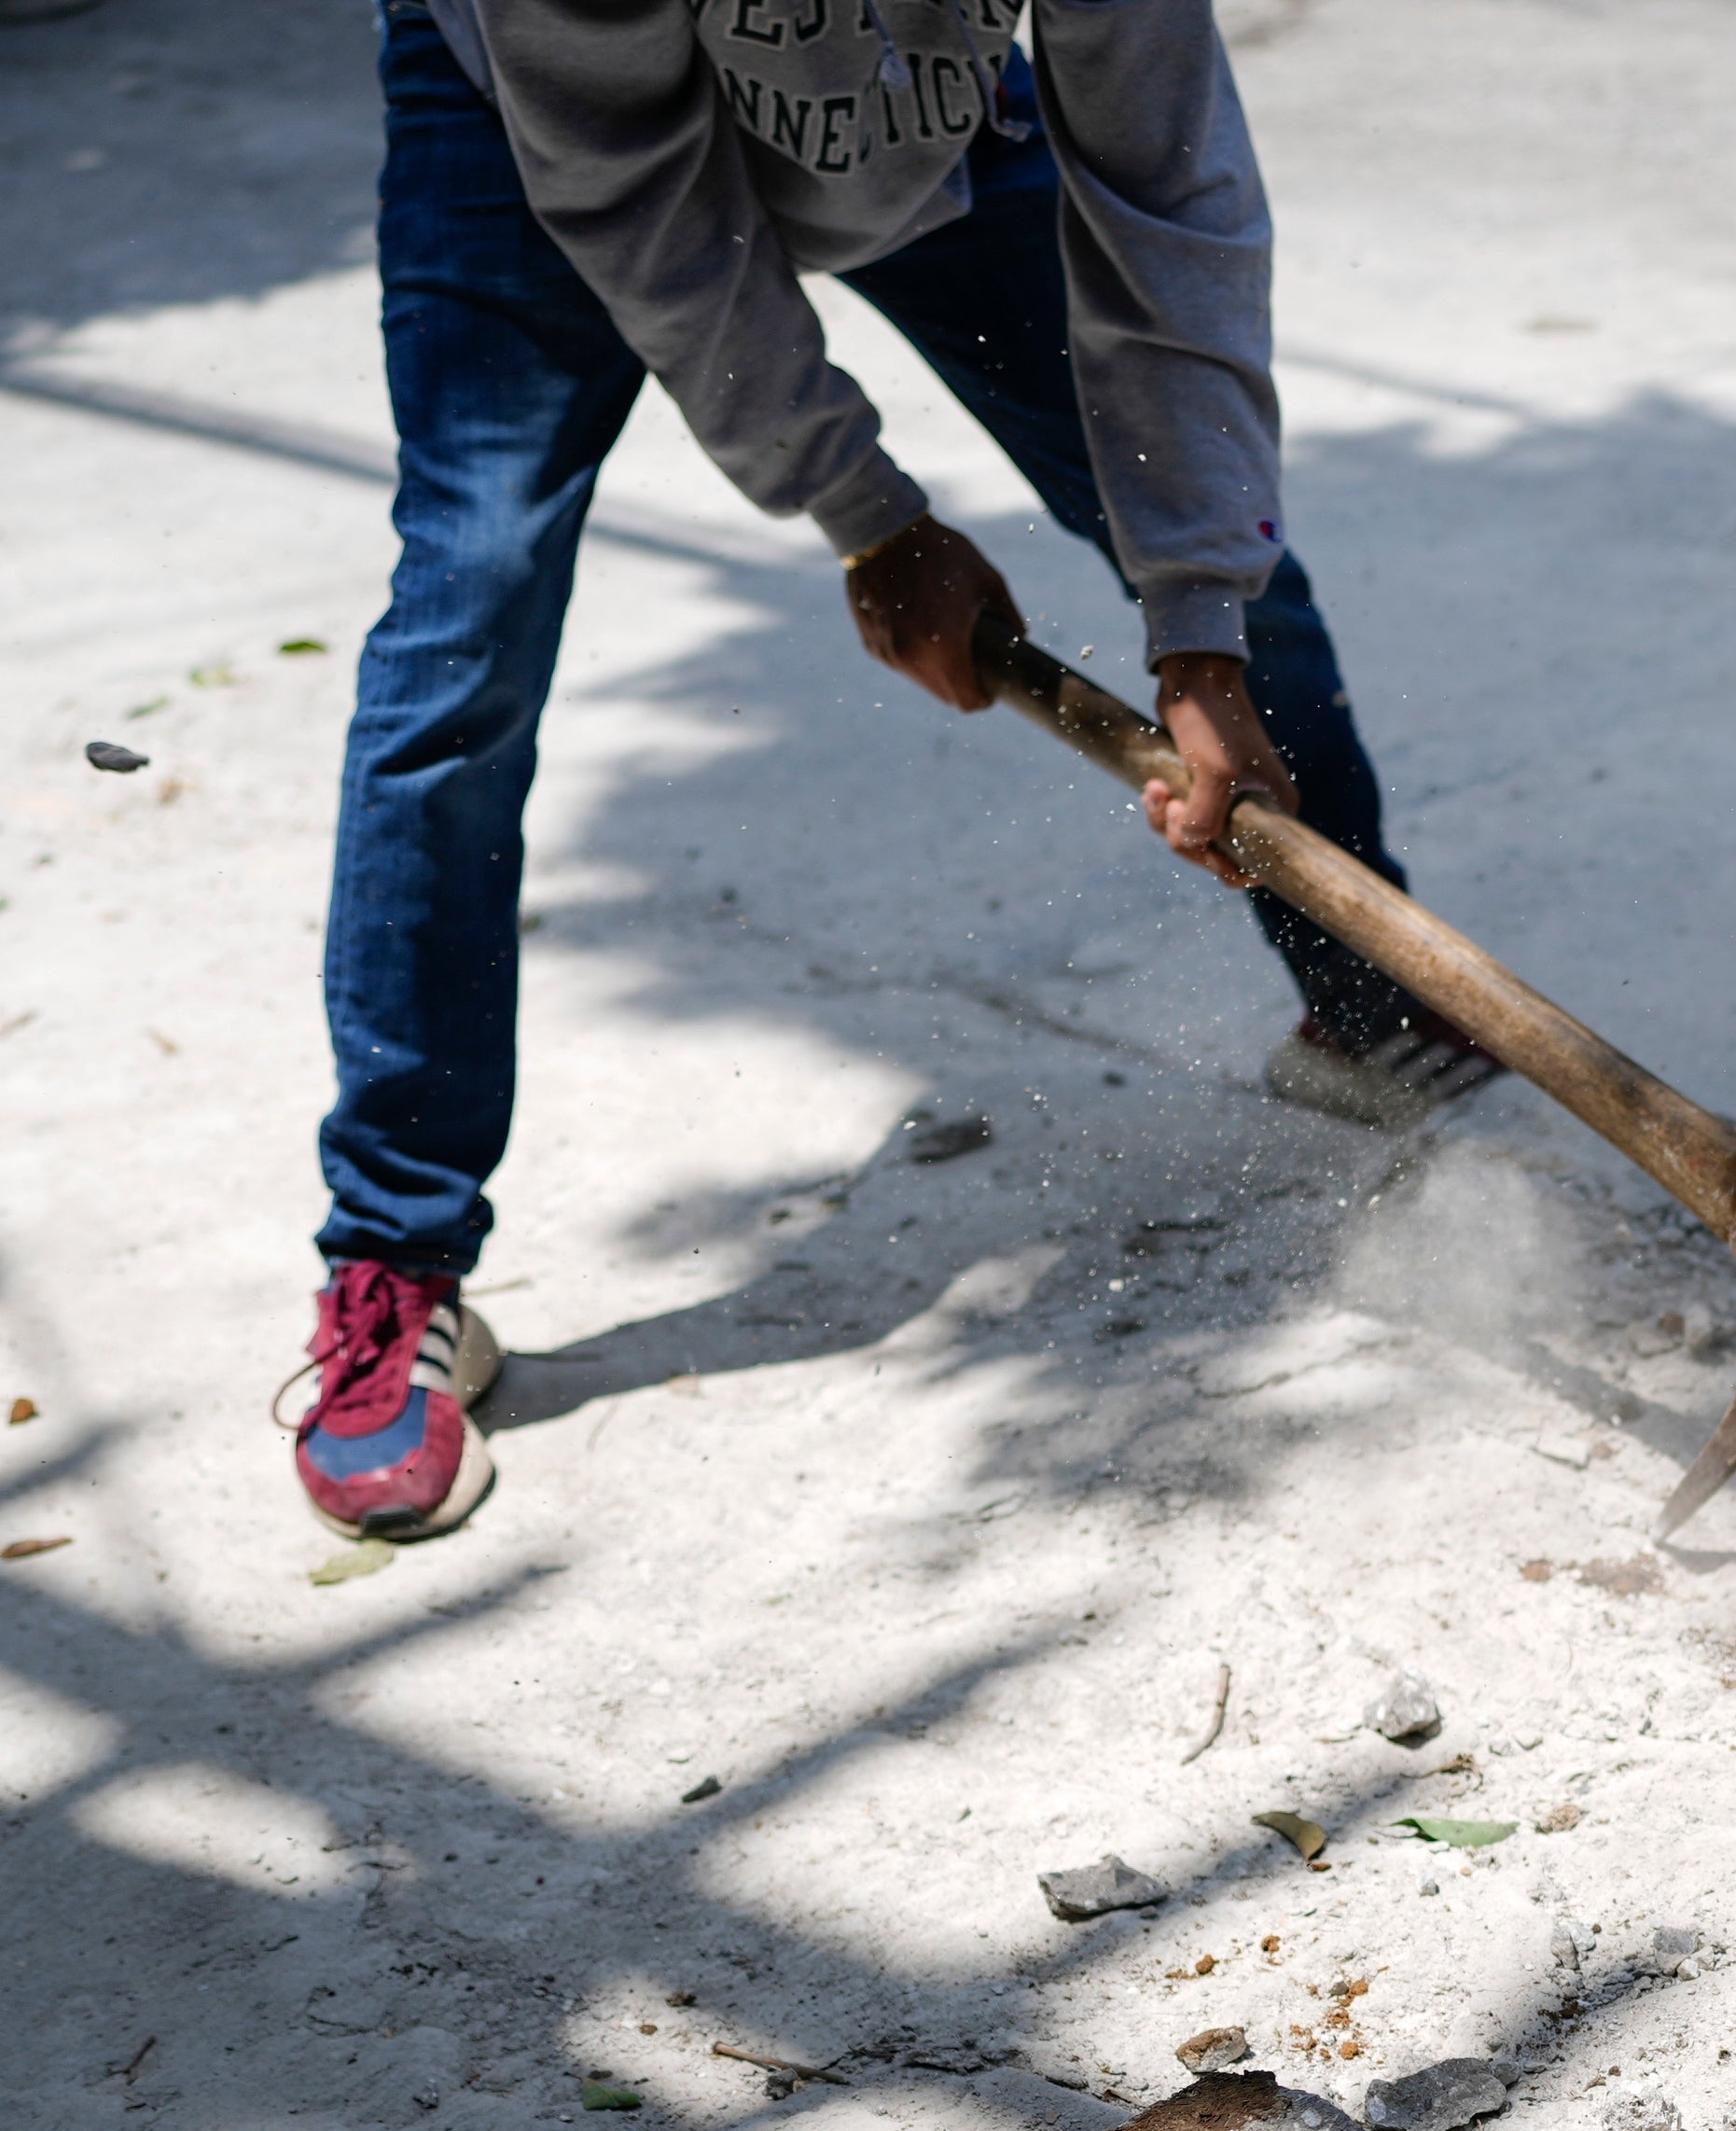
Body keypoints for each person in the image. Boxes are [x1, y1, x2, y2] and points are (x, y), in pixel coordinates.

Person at [291, 0, 1483, 1540]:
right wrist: (866, 510)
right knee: (467, 633)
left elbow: (1167, 189)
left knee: (1224, 560)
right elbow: (646, 190)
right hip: (532, 121)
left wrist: (1195, 628)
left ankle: (1371, 1001)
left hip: (908, 101)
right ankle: (398, 1259)